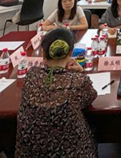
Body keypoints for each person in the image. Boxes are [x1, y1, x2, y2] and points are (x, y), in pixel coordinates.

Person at [16, 29, 98, 158]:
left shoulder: (31, 75)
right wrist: (80, 72)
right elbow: (90, 96)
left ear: (43, 53)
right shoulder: (77, 81)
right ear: (70, 52)